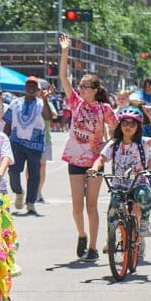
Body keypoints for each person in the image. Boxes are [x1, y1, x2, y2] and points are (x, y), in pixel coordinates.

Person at [57, 33, 117, 261]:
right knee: (76, 206)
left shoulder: (104, 109)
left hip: (94, 161)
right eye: (80, 86)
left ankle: (93, 247)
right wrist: (65, 51)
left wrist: (107, 143)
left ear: (95, 89)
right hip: (74, 159)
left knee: (91, 205)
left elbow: (117, 130)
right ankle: (81, 235)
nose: (81, 89)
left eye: (85, 86)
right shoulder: (75, 103)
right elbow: (63, 76)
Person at [89, 105, 151, 260]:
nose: (128, 127)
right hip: (119, 185)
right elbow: (102, 158)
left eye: (132, 124)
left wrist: (150, 116)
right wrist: (94, 168)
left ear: (138, 126)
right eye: (125, 123)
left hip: (137, 182)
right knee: (113, 209)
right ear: (120, 125)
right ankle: (111, 238)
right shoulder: (114, 144)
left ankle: (143, 223)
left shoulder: (142, 143)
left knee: (144, 196)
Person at [4, 76, 53, 215]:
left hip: (35, 144)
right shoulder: (15, 103)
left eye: (34, 85)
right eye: (28, 85)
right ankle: (18, 191)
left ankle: (30, 203)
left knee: (34, 175)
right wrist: (4, 141)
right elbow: (8, 122)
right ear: (24, 88)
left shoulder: (41, 103)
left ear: (38, 89)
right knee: (13, 170)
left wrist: (45, 99)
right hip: (16, 142)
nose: (31, 87)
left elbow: (48, 117)